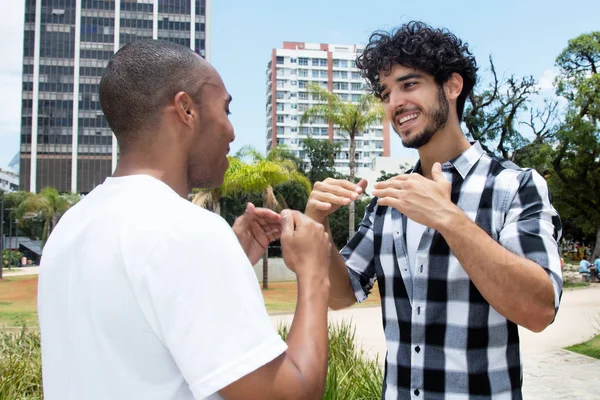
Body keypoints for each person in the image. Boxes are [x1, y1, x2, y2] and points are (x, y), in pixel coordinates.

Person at [38, 40, 332, 400]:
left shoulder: (72, 225)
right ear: (186, 109)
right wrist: (314, 271)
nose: (232, 131)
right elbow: (293, 394)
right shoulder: (186, 231)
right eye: (226, 109)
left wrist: (232, 260)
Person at [305, 22, 562, 399]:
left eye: (409, 85)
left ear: (452, 86)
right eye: (386, 93)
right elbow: (340, 294)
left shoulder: (514, 186)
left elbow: (539, 311)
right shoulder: (388, 200)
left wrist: (448, 218)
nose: (394, 103)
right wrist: (318, 226)